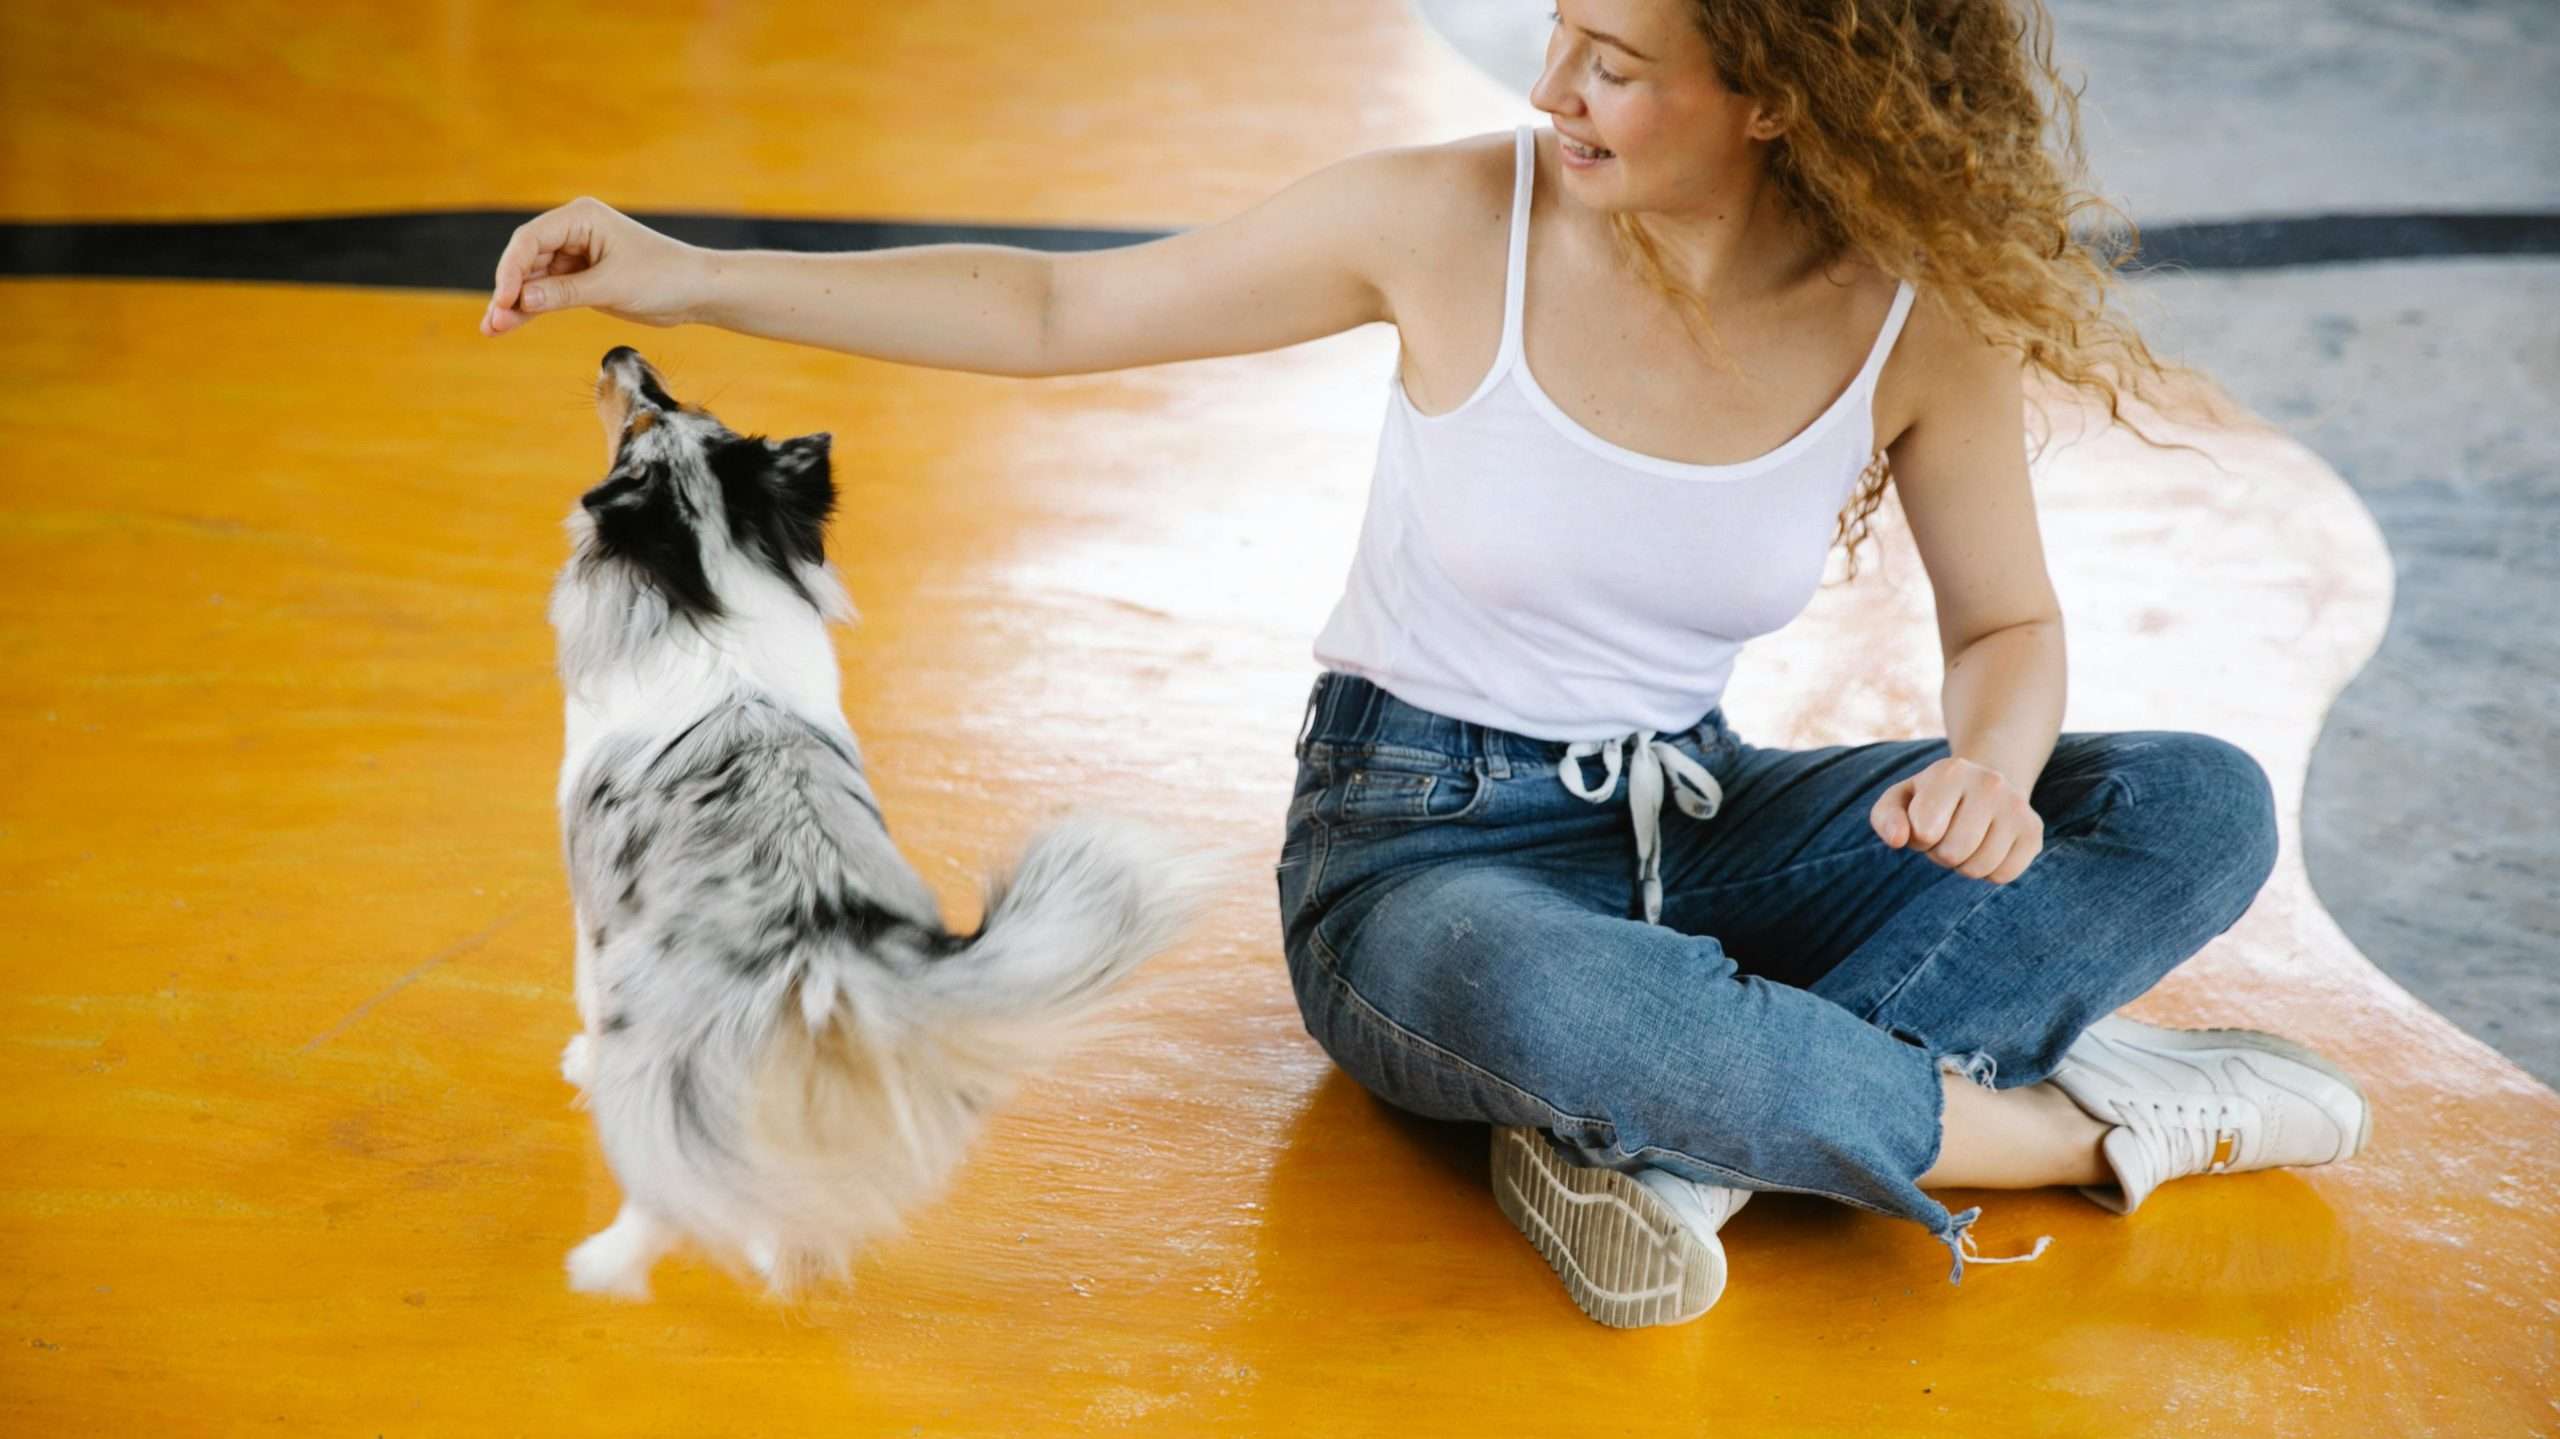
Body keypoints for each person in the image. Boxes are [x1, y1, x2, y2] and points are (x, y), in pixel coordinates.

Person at [482, 0, 2370, 1328]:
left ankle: (1678, 1139)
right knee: (1561, 1003)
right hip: (1419, 857)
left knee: (2187, 802)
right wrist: (692, 272)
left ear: (1782, 92)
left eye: (1618, 64)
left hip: (1694, 824)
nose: (1555, 83)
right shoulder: (1458, 218)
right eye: (1560, 33)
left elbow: (2010, 630)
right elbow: (1062, 306)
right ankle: (2065, 1129)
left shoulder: (1909, 317)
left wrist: (1988, 756)